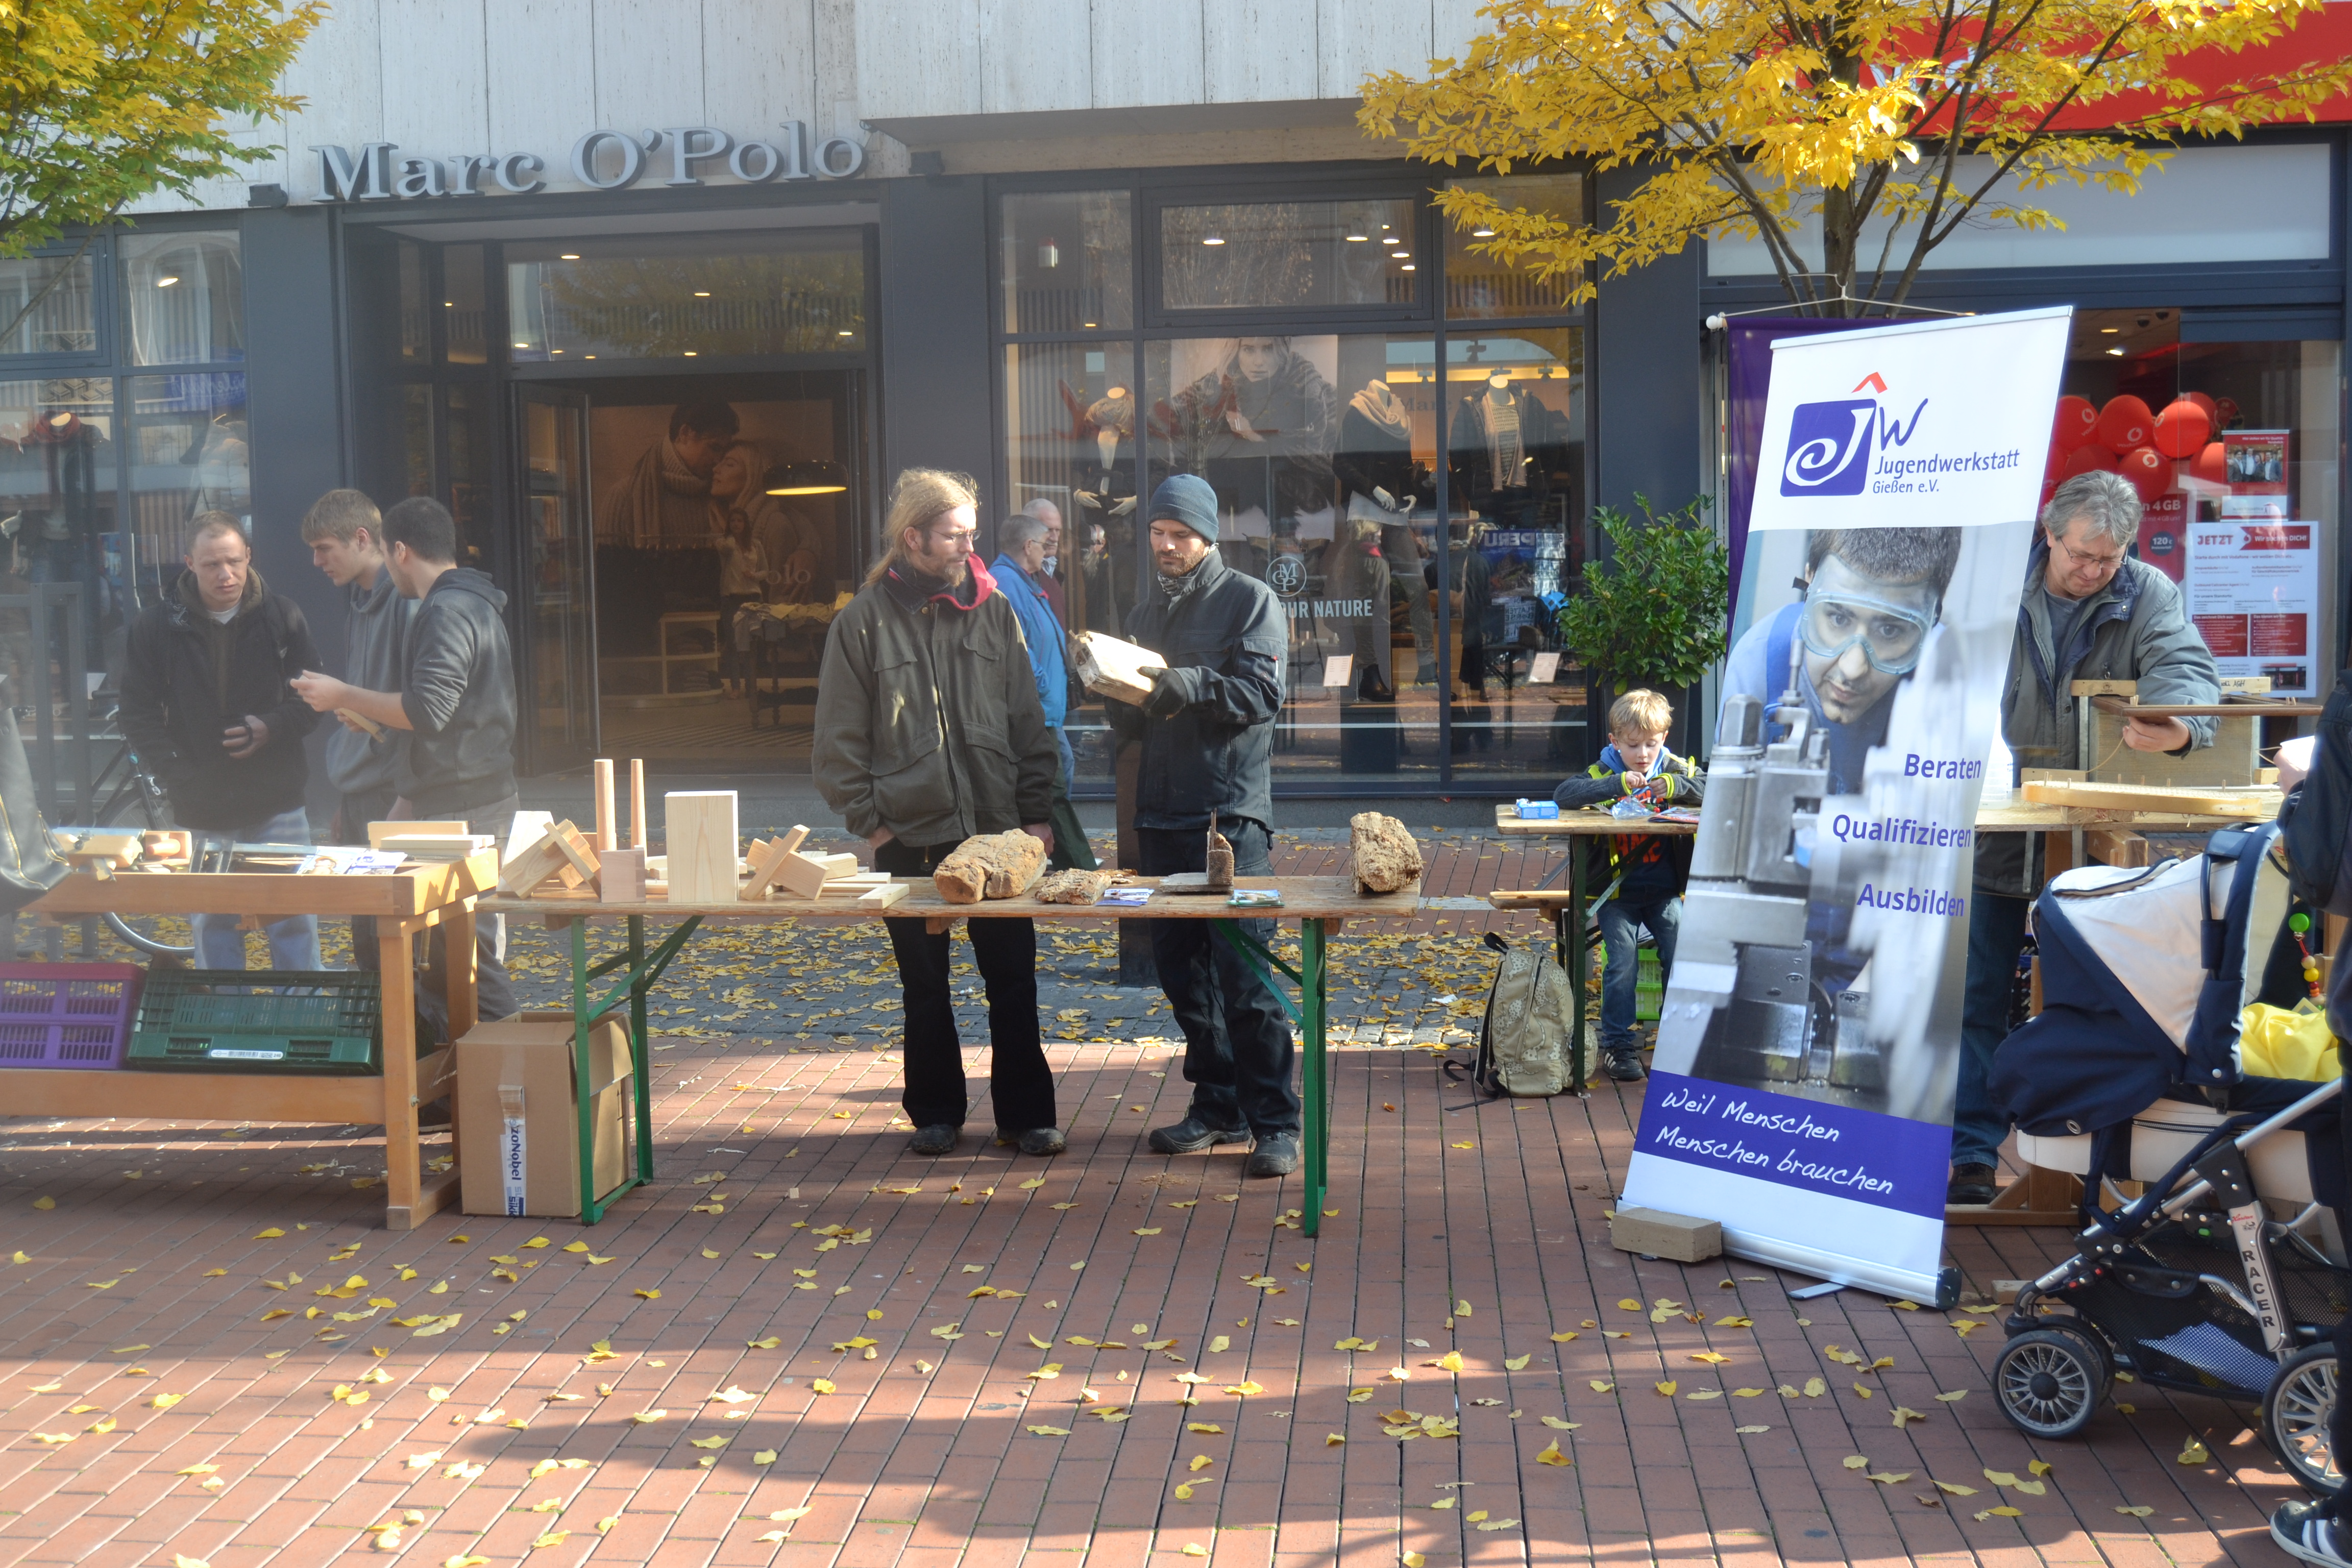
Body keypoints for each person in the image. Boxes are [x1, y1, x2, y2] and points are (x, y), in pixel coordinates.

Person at [1949, 470, 2219, 1205]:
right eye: (2082, 556)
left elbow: (2187, 669)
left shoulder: (2148, 590)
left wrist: (2179, 725)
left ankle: (2087, 1159)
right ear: (2049, 534)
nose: (2096, 571)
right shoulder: (1992, 585)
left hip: (2097, 843)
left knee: (2093, 1000)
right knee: (1975, 996)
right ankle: (1972, 1155)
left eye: (2111, 558)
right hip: (1992, 825)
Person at [812, 470, 1063, 1158]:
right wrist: (875, 825)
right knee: (923, 986)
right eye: (954, 535)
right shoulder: (861, 623)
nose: (968, 548)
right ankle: (934, 1113)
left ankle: (1026, 1116)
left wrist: (1036, 816)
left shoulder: (994, 610)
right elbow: (836, 744)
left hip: (996, 834)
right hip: (910, 836)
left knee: (1013, 980)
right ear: (912, 537)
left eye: (972, 534)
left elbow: (1028, 719)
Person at [1114, 474, 1296, 1176]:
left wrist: (1189, 682)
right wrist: (1114, 694)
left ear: (1208, 537)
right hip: (1160, 817)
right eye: (1158, 533)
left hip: (1229, 818)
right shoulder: (1144, 612)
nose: (1167, 545)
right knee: (1182, 975)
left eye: (1180, 535)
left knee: (1246, 978)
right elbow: (1140, 719)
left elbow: (1262, 694)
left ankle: (1275, 1122)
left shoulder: (1250, 600)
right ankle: (1218, 1106)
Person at [291, 497, 519, 1027]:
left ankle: (524, 1070)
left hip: (464, 803)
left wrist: (344, 695)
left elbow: (428, 712)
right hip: (458, 794)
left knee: (465, 960)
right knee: (449, 960)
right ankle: (473, 1069)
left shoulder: (445, 609)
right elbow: (447, 716)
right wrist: (406, 795)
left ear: (399, 551)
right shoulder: (469, 601)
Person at [119, 512, 323, 969]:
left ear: (249, 555)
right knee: (213, 926)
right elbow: (136, 712)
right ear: (190, 563)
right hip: (203, 806)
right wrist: (179, 775)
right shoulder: (156, 627)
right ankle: (221, 1012)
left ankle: (303, 1011)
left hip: (278, 800)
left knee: (293, 921)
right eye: (212, 564)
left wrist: (273, 726)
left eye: (233, 561)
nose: (225, 574)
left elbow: (316, 698)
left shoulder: (283, 616)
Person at [1721, 526, 1965, 794]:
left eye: (1889, 630)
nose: (1852, 669)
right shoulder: (1756, 662)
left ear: (1932, 614)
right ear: (1809, 582)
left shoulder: (1951, 678)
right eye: (1838, 618)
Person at [1552, 690, 1706, 1082]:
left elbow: (1715, 790)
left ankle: (1676, 1041)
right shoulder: (1603, 771)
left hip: (1665, 890)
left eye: (1651, 744)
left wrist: (1676, 786)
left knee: (1683, 954)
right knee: (1622, 962)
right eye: (1633, 745)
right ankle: (1618, 1045)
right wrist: (1616, 784)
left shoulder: (1674, 767)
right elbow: (1564, 795)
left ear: (1664, 739)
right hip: (1615, 892)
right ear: (1615, 741)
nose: (1643, 754)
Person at [301, 488, 415, 976]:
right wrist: (347, 800)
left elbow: (423, 712)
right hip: (364, 791)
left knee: (396, 945)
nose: (316, 561)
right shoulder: (361, 601)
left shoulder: (406, 604)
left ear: (363, 538)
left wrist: (407, 797)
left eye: (324, 548)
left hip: (396, 792)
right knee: (368, 943)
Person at [991, 512, 1096, 874]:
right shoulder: (1006, 583)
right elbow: (1017, 648)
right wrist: (1043, 686)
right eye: (1042, 541)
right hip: (1034, 710)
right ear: (1028, 546)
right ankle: (1080, 870)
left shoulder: (1024, 580)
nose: (1048, 547)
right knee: (1052, 791)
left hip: (1045, 709)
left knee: (1053, 786)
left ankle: (1065, 866)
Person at [597, 401, 738, 549]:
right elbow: (605, 563)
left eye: (723, 451)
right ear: (685, 433)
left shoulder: (722, 497)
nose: (718, 460)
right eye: (714, 448)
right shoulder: (624, 496)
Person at [715, 508, 770, 700]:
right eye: (733, 521)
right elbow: (727, 549)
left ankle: (751, 685)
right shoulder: (724, 543)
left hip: (752, 598)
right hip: (731, 598)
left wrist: (753, 576)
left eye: (740, 521)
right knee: (732, 643)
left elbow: (765, 571)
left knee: (751, 644)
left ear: (746, 524)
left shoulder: (756, 545)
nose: (736, 524)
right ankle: (735, 687)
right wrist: (732, 537)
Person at [1021, 498, 1069, 628]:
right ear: (1027, 529)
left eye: (1058, 530)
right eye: (1048, 530)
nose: (1055, 538)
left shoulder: (1052, 575)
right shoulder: (1018, 577)